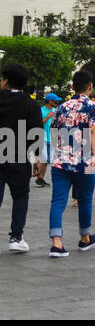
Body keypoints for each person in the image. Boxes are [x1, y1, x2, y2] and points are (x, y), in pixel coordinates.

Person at [47, 70, 95, 257]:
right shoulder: (93, 106)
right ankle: (85, 238)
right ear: (90, 87)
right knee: (85, 199)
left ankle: (56, 243)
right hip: (84, 161)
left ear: (72, 86)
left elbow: (54, 132)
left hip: (61, 161)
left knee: (57, 201)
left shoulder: (62, 107)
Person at [0, 63, 42, 253]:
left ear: (6, 81)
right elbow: (36, 133)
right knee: (20, 196)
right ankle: (16, 237)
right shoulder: (30, 103)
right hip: (18, 156)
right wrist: (37, 158)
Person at [34, 92, 59, 187]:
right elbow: (38, 123)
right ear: (49, 101)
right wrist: (48, 116)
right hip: (42, 137)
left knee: (47, 160)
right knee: (43, 158)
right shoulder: (41, 110)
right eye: (55, 100)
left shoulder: (56, 111)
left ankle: (40, 178)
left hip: (51, 138)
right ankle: (39, 177)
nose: (57, 102)